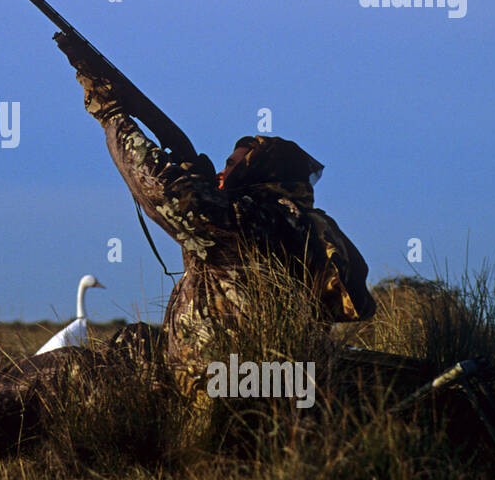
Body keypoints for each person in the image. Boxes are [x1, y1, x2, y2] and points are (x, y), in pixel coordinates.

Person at [53, 32, 375, 384]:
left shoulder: (245, 216)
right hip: (265, 376)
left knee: (77, 371)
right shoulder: (295, 219)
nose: (223, 173)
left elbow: (161, 189)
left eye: (233, 165)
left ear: (258, 173)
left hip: (221, 382)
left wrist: (112, 115)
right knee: (136, 342)